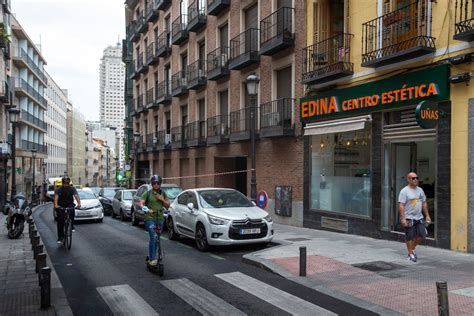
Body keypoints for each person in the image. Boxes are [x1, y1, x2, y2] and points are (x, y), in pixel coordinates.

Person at [398, 172, 431, 262]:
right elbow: (401, 206)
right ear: (408, 180)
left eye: (416, 177)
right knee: (410, 237)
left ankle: (412, 248)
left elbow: (424, 203)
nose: (415, 179)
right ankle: (410, 254)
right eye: (413, 178)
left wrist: (427, 215)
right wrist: (403, 218)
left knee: (422, 235)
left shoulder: (420, 190)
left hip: (419, 217)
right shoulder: (404, 191)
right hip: (409, 217)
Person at [140, 175, 170, 266]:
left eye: (158, 183)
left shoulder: (163, 193)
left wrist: (162, 199)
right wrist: (146, 209)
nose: (156, 185)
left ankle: (151, 255)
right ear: (151, 184)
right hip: (150, 218)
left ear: (160, 184)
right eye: (154, 183)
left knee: (157, 238)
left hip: (160, 218)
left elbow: (168, 205)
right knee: (153, 236)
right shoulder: (147, 193)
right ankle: (152, 259)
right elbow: (141, 203)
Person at [54, 176, 81, 244]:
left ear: (69, 183)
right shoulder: (58, 189)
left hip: (69, 204)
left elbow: (76, 196)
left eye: (67, 183)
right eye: (65, 183)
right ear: (62, 183)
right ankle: (60, 237)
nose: (66, 184)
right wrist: (56, 205)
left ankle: (71, 225)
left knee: (72, 211)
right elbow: (56, 198)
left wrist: (79, 203)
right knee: (60, 220)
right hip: (60, 205)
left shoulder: (72, 189)